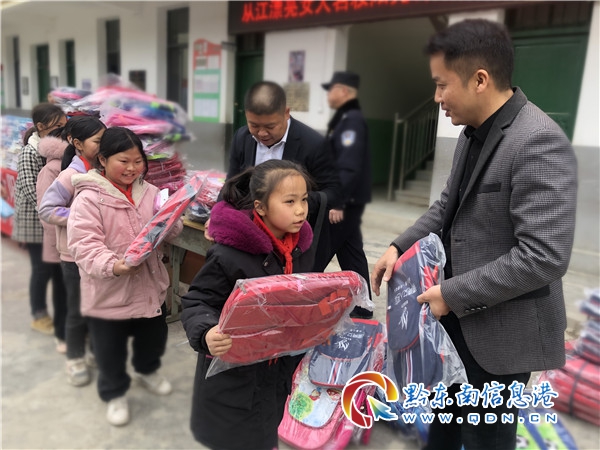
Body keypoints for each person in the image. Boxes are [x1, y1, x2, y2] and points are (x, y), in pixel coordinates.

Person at [371, 19, 577, 450]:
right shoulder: (472, 134)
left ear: (480, 80)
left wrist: (451, 294)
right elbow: (448, 204)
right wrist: (398, 245)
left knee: (487, 439)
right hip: (456, 325)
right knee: (443, 427)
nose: (436, 98)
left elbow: (544, 256)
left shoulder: (538, 141)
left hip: (502, 333)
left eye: (441, 85)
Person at [181, 159, 315, 450]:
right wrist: (206, 332)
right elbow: (198, 299)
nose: (301, 210)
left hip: (276, 368)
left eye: (304, 199)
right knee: (234, 437)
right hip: (234, 373)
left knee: (267, 424)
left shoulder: (300, 248)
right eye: (290, 201)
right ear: (260, 207)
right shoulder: (229, 254)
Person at [66, 127, 182, 426]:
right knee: (110, 349)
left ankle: (146, 370)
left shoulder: (151, 192)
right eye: (124, 161)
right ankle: (114, 392)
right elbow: (83, 244)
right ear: (103, 160)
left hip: (149, 286)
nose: (132, 168)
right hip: (109, 290)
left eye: (138, 161)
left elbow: (170, 231)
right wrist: (113, 265)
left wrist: (172, 218)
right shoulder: (89, 198)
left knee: (152, 337)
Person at [222, 80, 340, 270]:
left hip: (294, 239)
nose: (262, 133)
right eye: (254, 125)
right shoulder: (242, 138)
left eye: (270, 126)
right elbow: (232, 180)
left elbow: (334, 190)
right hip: (251, 233)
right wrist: (218, 215)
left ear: (286, 113)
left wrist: (295, 202)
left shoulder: (314, 144)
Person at [39, 116, 107, 387]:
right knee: (77, 309)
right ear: (77, 143)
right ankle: (75, 357)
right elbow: (47, 209)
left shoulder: (101, 171)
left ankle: (93, 350)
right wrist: (80, 216)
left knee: (97, 307)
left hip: (97, 253)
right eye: (98, 141)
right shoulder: (70, 175)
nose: (103, 146)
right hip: (73, 256)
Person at [317, 71, 373, 319]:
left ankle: (300, 298)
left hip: (344, 201)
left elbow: (349, 166)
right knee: (352, 253)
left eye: (331, 90)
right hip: (349, 200)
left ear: (344, 91)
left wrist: (339, 202)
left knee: (318, 252)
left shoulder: (352, 122)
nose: (328, 95)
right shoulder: (345, 118)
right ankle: (363, 305)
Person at [12, 103, 67, 335]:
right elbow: (30, 189)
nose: (62, 131)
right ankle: (38, 315)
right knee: (41, 270)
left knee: (56, 271)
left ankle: (60, 316)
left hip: (49, 221)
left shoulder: (55, 149)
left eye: (64, 125)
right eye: (57, 126)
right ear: (41, 127)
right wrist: (52, 210)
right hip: (34, 223)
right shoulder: (30, 152)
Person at [35, 125, 72, 353]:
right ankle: (61, 334)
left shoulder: (73, 166)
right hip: (59, 243)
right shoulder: (51, 170)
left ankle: (73, 332)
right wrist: (59, 242)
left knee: (72, 292)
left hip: (72, 242)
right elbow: (46, 212)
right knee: (61, 290)